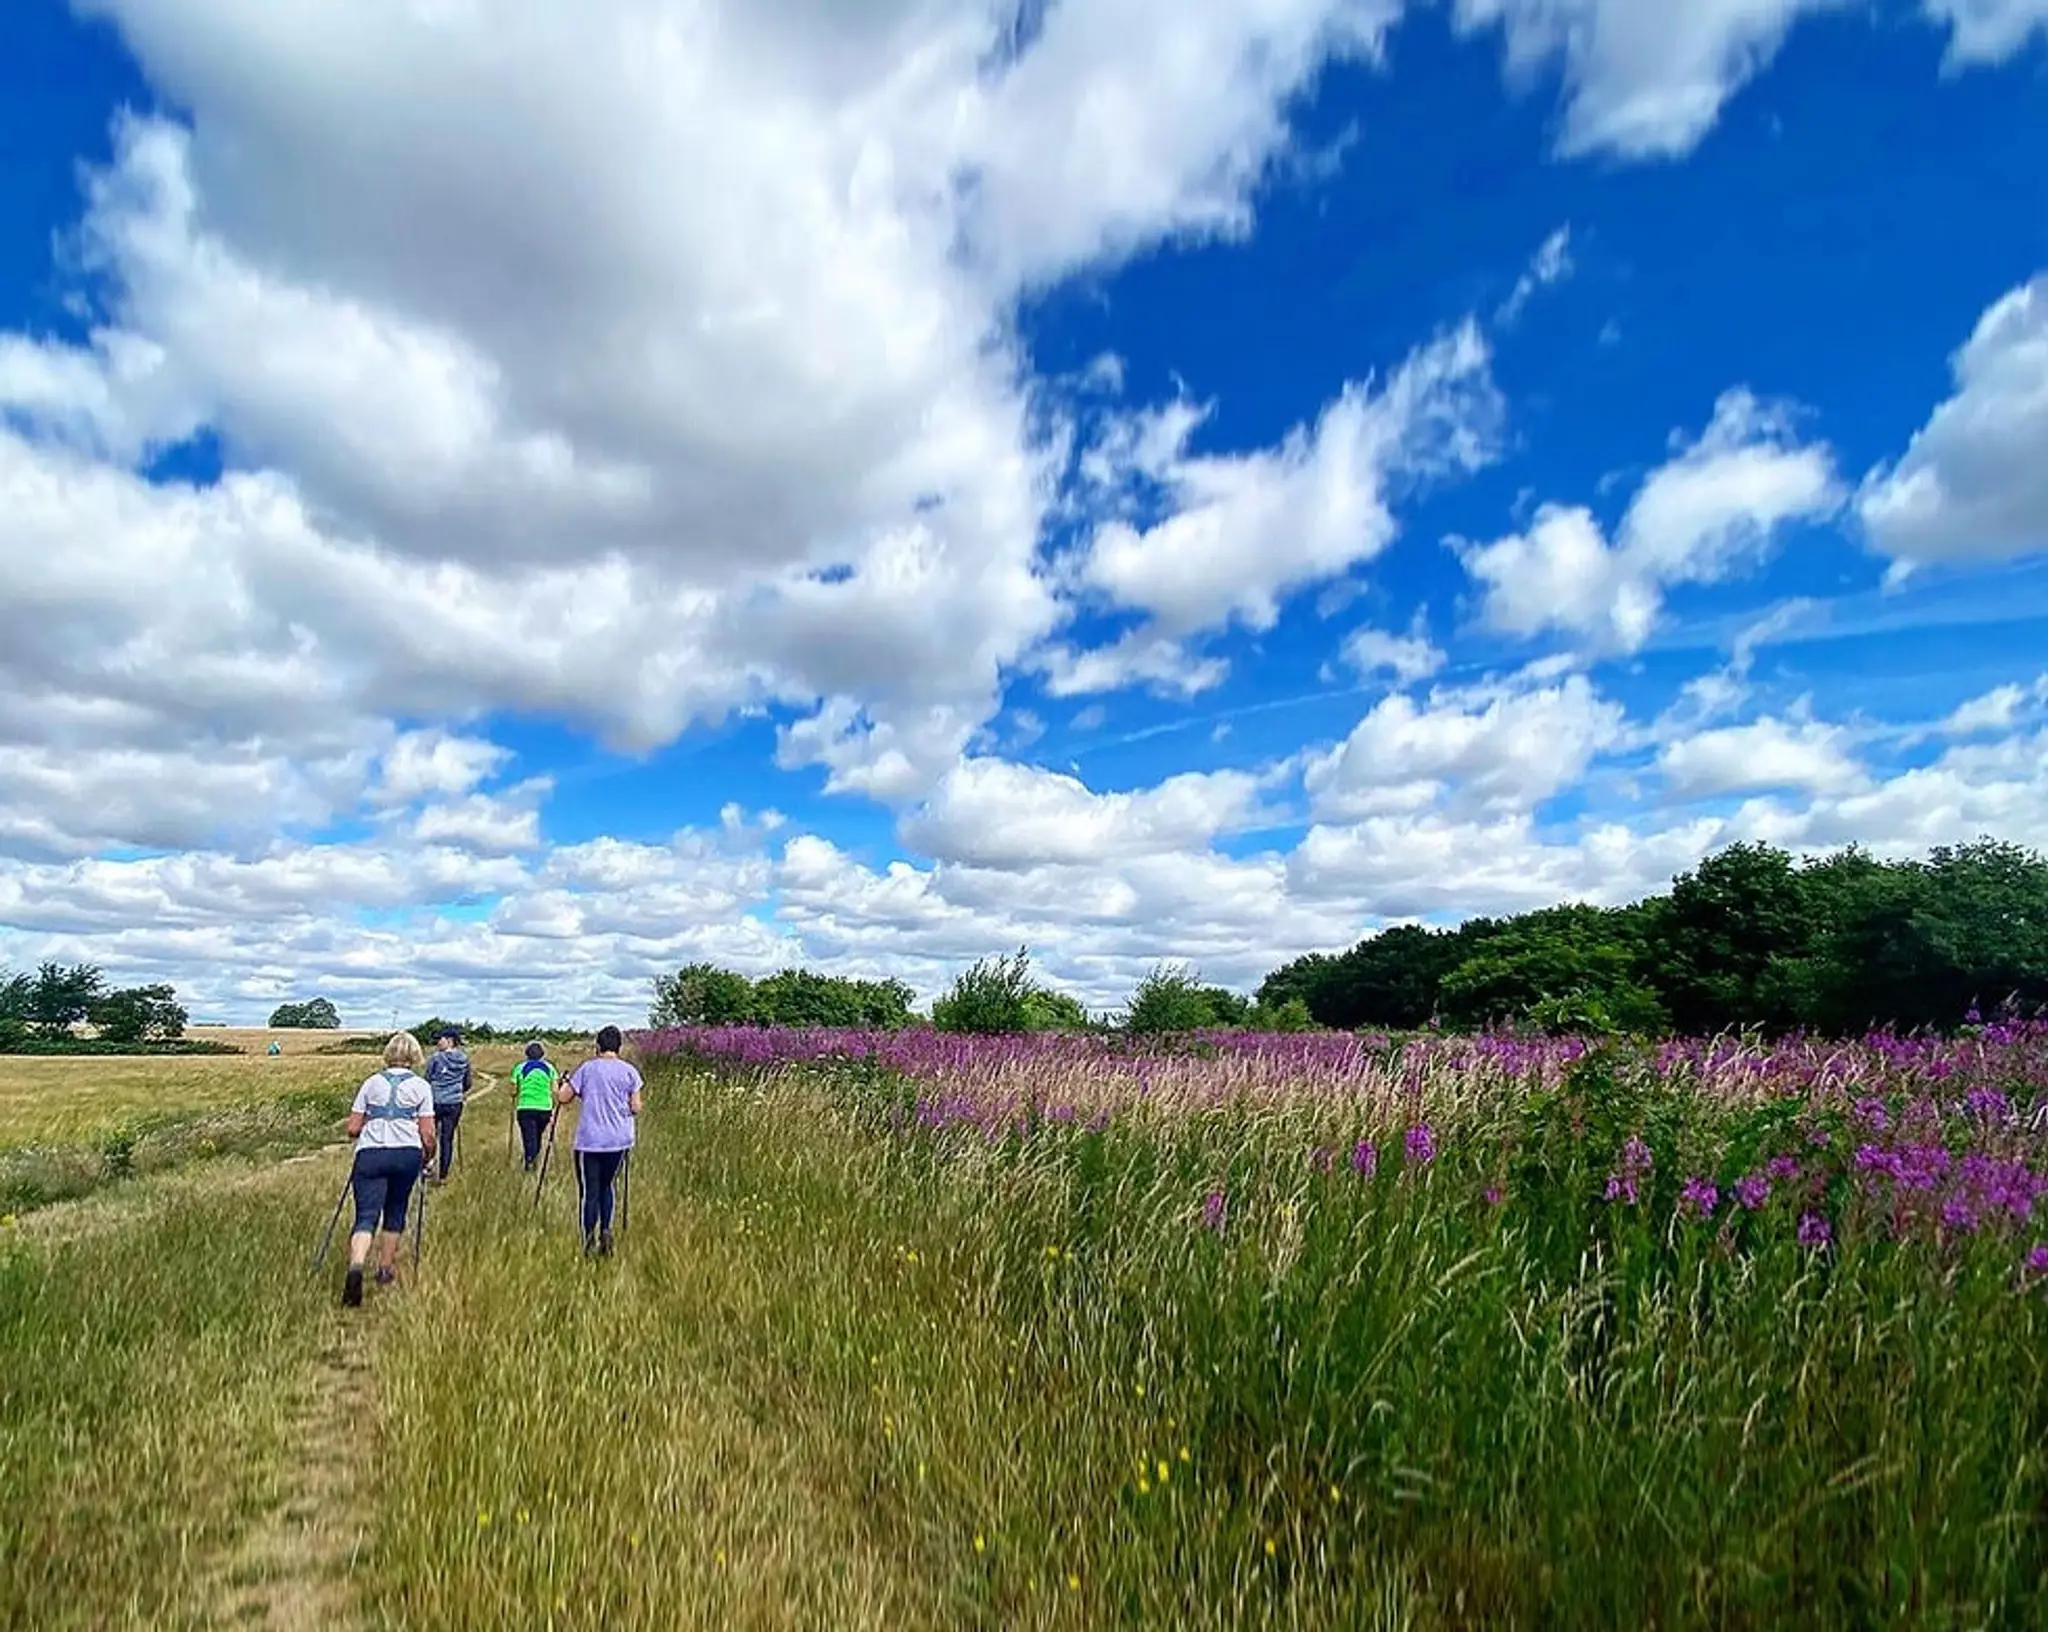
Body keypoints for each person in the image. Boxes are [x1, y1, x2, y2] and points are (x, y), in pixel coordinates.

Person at [340, 1032, 437, 1307]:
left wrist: (373, 1122)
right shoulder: (421, 1086)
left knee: (365, 1215)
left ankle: (356, 1265)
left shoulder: (371, 1083)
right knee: (396, 1209)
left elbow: (352, 1128)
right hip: (406, 1153)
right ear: (414, 1055)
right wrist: (429, 1156)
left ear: (388, 1053)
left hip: (371, 1153)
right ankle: (385, 1269)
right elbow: (428, 1134)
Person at [557, 1025, 642, 1256]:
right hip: (618, 1140)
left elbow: (563, 1098)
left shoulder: (587, 1069)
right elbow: (636, 1107)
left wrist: (563, 1084)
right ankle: (606, 1229)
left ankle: (588, 1240)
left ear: (598, 1046)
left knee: (590, 1190)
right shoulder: (630, 1072)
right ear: (618, 1047)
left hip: (591, 1140)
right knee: (607, 1185)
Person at [424, 1025, 472, 1182]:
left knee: (430, 1135)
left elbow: (427, 1078)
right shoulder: (464, 1059)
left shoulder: (435, 1058)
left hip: (435, 1101)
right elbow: (468, 1082)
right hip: (454, 1103)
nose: (438, 1042)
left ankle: (428, 1163)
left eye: (441, 1039)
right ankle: (443, 1175)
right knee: (447, 1138)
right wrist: (459, 1091)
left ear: (450, 1041)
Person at [511, 1040, 557, 1171]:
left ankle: (530, 1162)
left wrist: (515, 1093)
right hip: (544, 1108)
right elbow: (555, 1089)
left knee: (529, 1136)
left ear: (527, 1054)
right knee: (537, 1135)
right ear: (542, 1054)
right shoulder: (550, 1068)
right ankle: (533, 1159)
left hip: (525, 1107)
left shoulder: (520, 1067)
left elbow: (513, 1090)